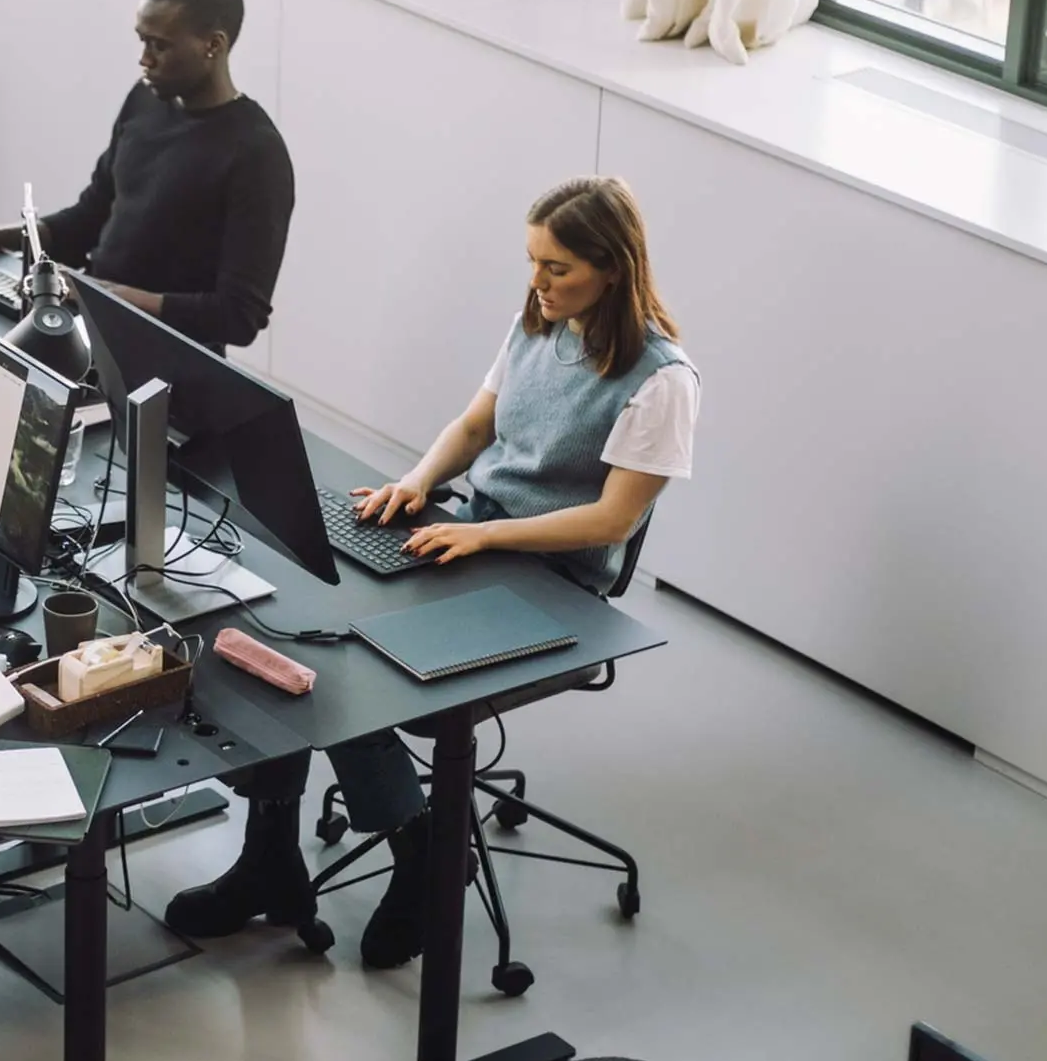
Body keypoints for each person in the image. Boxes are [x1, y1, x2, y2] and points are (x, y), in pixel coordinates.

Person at [159, 175, 700, 970]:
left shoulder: (663, 381)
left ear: (612, 268)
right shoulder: (540, 323)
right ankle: (270, 856)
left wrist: (486, 538)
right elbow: (478, 423)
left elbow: (612, 521)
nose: (538, 283)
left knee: (354, 674)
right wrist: (417, 483)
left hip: (553, 588)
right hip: (470, 538)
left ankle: (424, 855)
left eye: (558, 269)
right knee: (284, 631)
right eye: (532, 262)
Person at [0, 0, 294, 352]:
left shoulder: (257, 153)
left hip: (163, 365)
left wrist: (101, 294)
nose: (144, 60)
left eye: (160, 45)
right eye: (142, 41)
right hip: (90, 327)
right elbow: (90, 216)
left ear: (213, 45)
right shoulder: (145, 99)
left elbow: (238, 317)